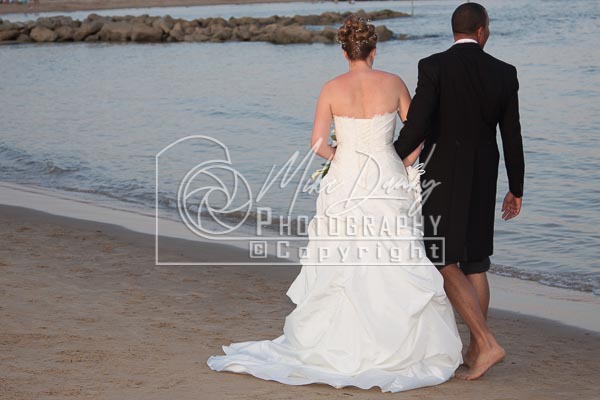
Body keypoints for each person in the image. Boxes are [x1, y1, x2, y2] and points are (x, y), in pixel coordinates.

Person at [207, 15, 463, 393]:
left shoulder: (331, 88)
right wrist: (406, 164)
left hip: (344, 180)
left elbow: (317, 144)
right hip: (386, 176)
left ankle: (338, 344)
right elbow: (416, 134)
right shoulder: (393, 83)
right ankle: (398, 345)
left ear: (345, 52)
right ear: (374, 51)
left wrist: (340, 155)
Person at [394, 2, 525, 380]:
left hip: (443, 175)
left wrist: (387, 159)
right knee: (475, 261)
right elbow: (511, 136)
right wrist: (516, 188)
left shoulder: (433, 66)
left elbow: (416, 126)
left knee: (441, 257)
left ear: (456, 30)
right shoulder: (504, 72)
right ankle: (474, 348)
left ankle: (485, 342)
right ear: (482, 30)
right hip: (485, 174)